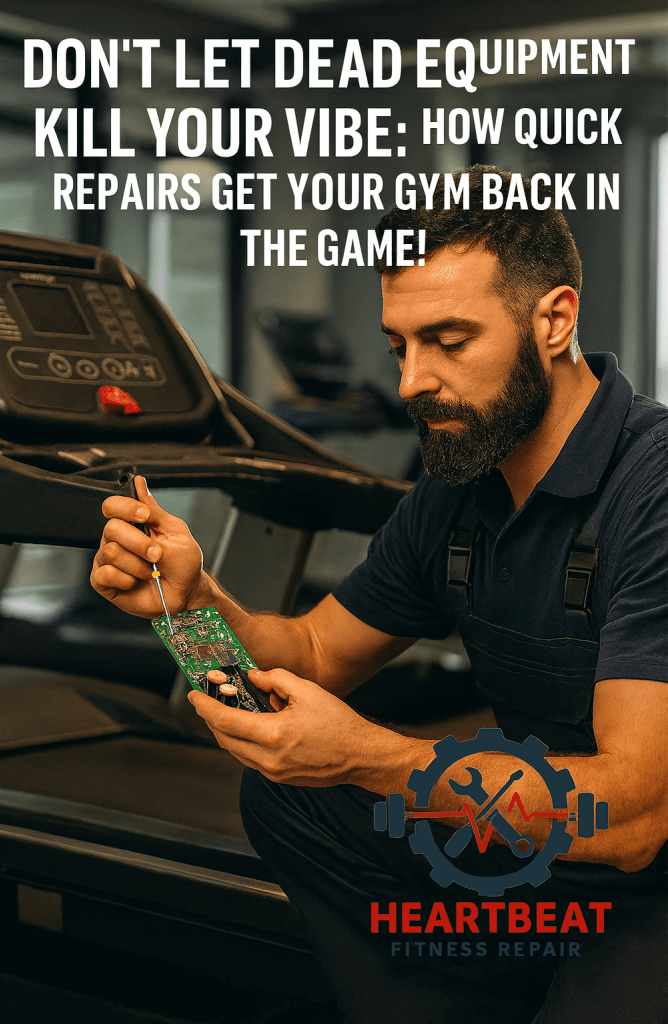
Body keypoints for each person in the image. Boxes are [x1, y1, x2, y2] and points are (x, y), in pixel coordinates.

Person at [91, 167, 668, 1024]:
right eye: (400, 346)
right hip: (539, 844)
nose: (410, 383)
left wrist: (371, 755)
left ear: (553, 321)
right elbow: (316, 653)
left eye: (448, 341)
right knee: (290, 792)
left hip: (645, 871)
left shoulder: (652, 488)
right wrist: (192, 603)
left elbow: (635, 816)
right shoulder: (459, 483)